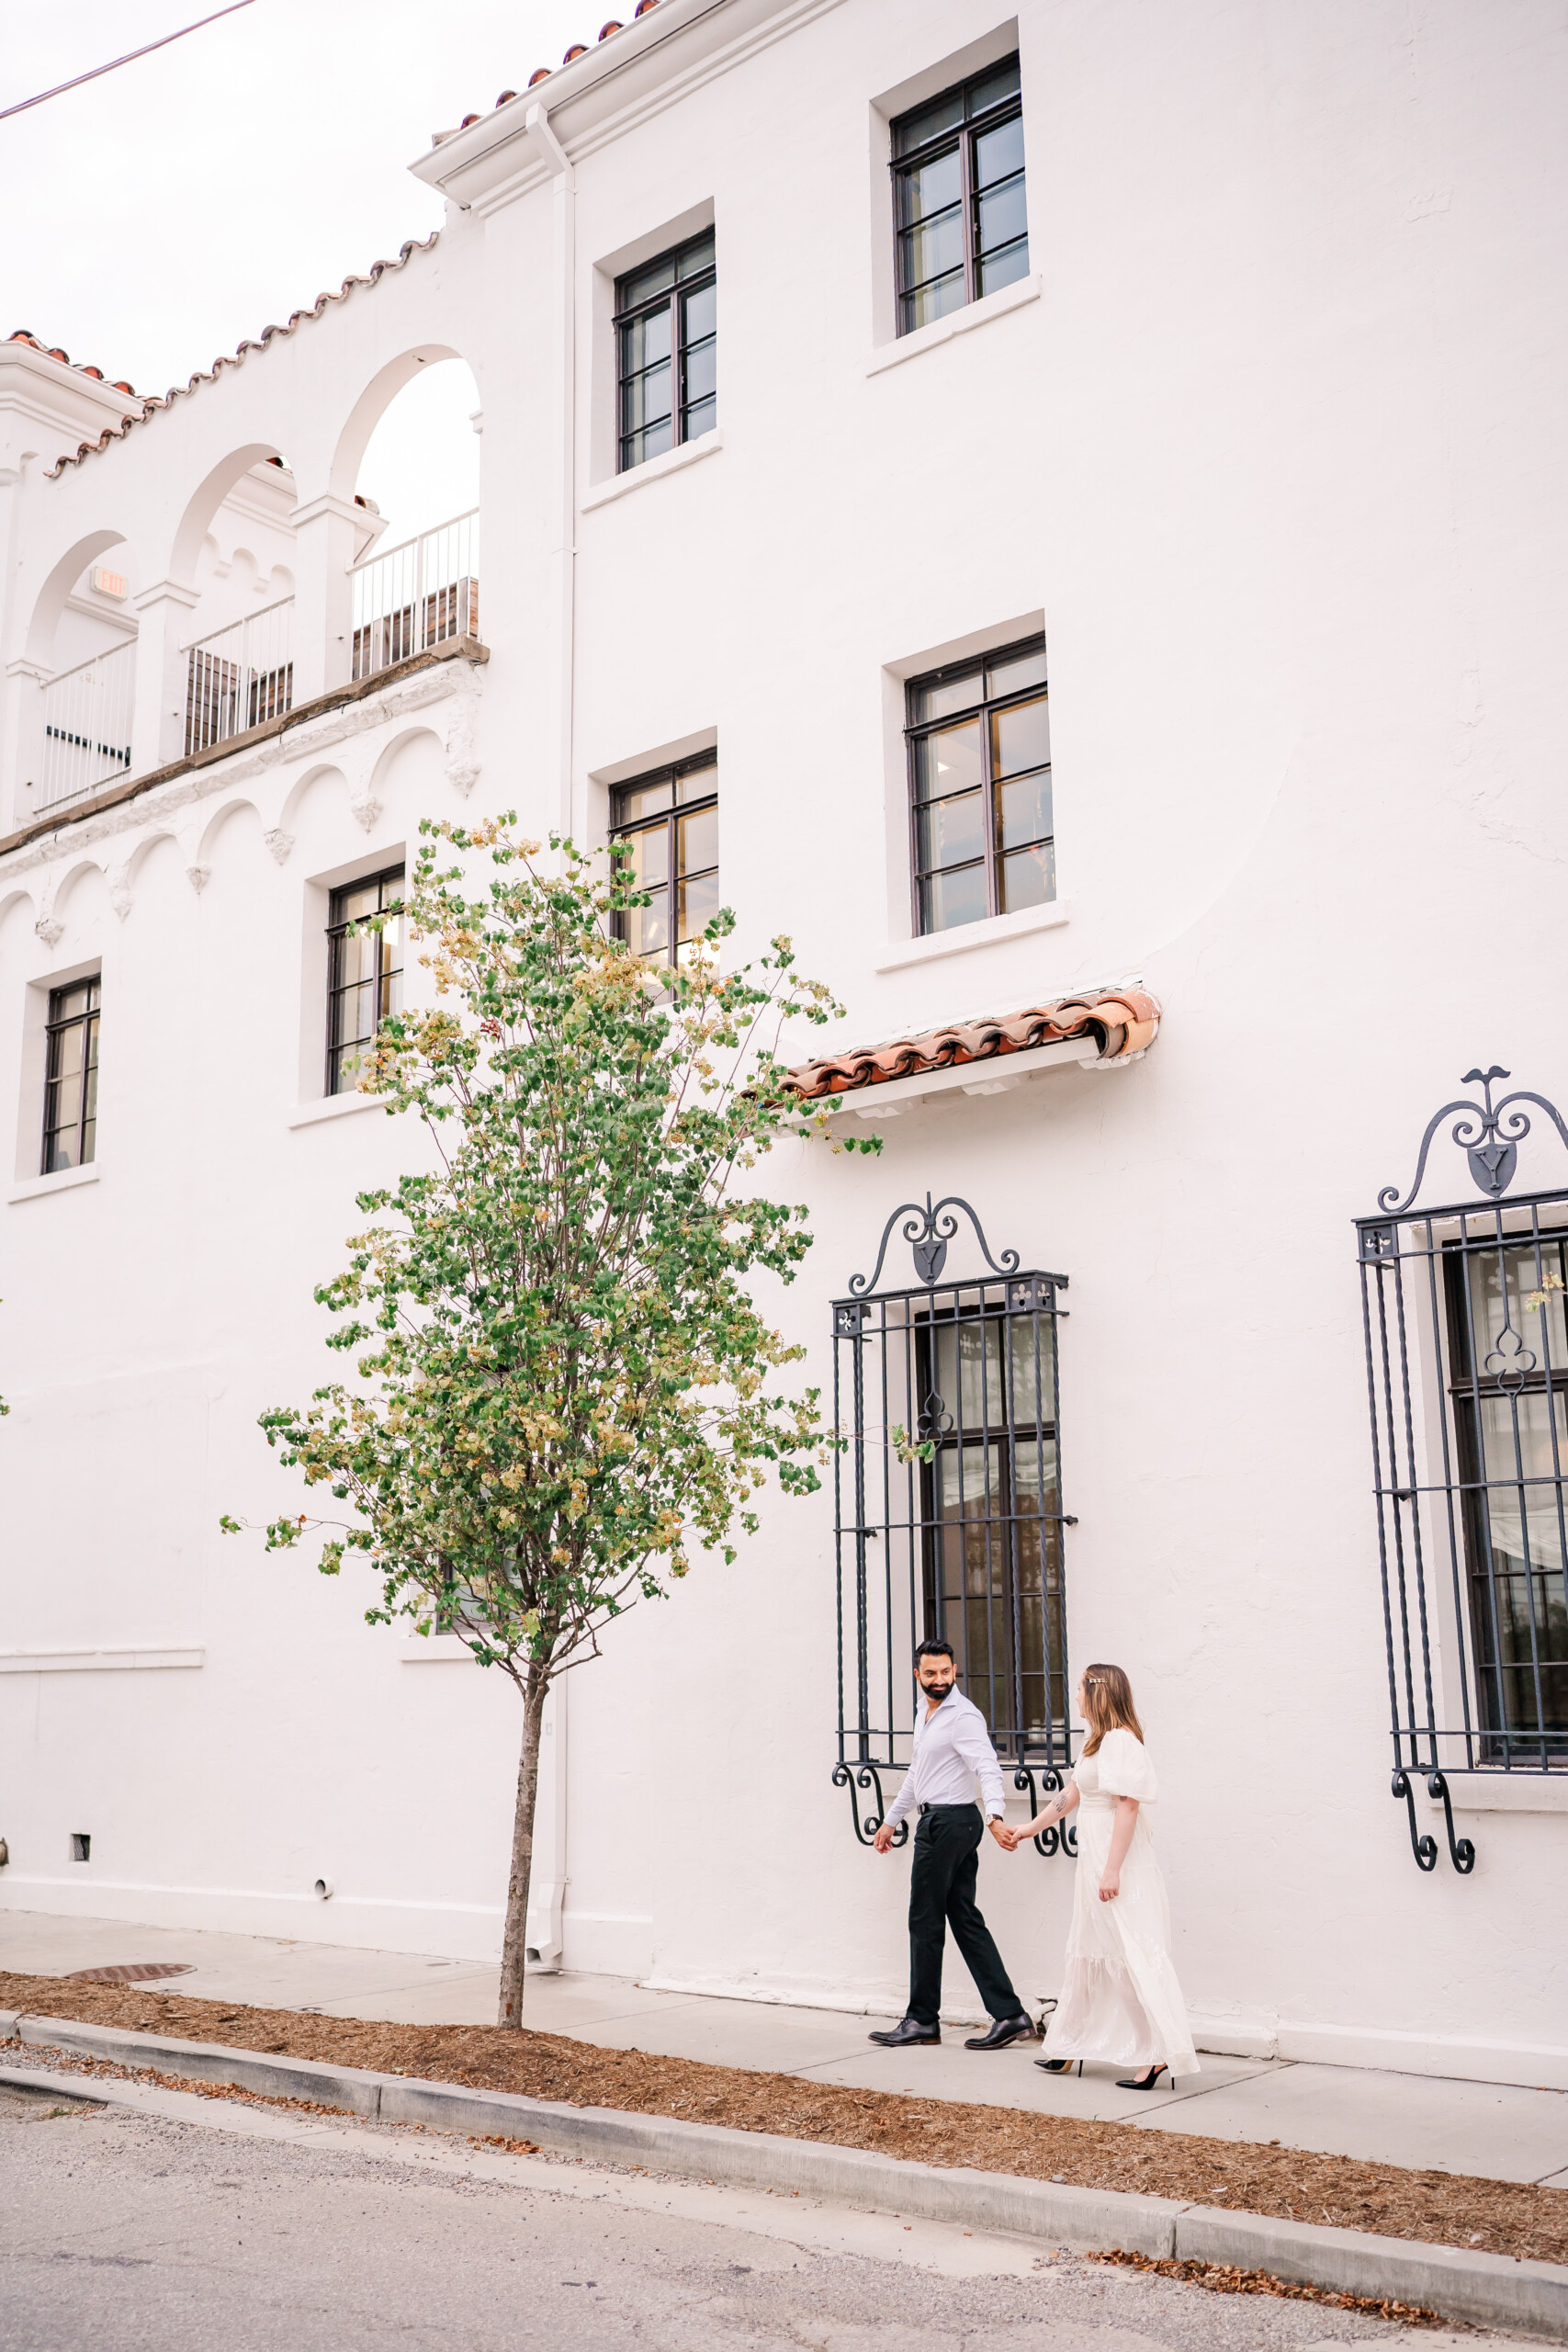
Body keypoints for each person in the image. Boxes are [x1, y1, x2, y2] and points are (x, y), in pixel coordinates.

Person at [1003, 1661, 1197, 2088]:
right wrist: (1029, 1828)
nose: (1074, 1697)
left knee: (1126, 1955)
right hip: (1093, 1855)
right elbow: (1071, 1794)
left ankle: (1154, 2054)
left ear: (1099, 1693)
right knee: (1088, 1950)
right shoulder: (1096, 1742)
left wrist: (1112, 1871)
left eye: (1079, 1689)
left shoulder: (1122, 1742)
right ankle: (1067, 2043)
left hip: (1115, 1860)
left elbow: (1128, 1806)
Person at [867, 1638, 1037, 2052]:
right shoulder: (926, 1715)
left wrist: (996, 1816)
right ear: (917, 1675)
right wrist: (891, 1820)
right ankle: (1010, 2015)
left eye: (946, 1672)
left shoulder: (963, 1717)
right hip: (944, 1820)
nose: (939, 1679)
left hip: (948, 1822)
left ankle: (922, 2020)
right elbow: (916, 1774)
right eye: (931, 1673)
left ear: (955, 1670)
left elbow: (988, 1767)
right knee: (963, 1917)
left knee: (925, 1919)